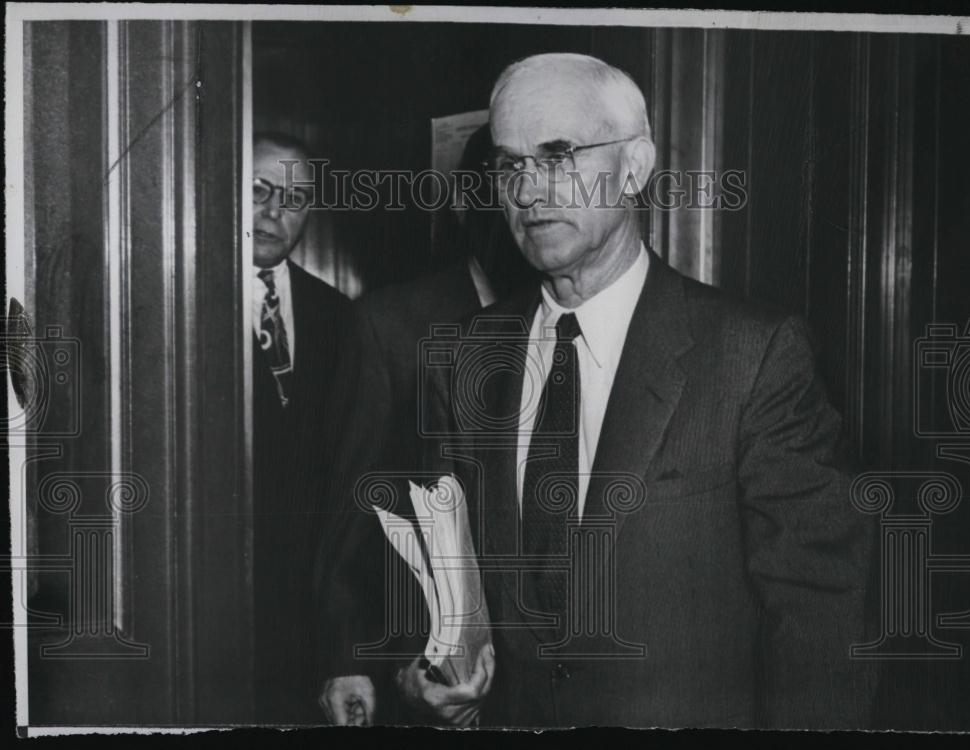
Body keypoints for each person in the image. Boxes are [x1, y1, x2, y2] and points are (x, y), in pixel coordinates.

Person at [398, 53, 877, 729]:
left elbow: (821, 620)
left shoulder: (754, 355)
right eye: (509, 165)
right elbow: (439, 576)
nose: (529, 191)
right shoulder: (467, 353)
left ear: (635, 166)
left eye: (558, 154)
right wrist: (428, 680)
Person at [314, 124, 534, 725]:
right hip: (426, 664)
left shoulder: (566, 319)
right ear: (465, 202)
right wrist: (345, 658)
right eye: (504, 182)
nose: (524, 206)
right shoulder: (389, 325)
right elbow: (350, 509)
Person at [250, 131, 365, 724]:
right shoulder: (184, 307)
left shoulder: (339, 316)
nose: (273, 211)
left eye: (292, 198)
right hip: (221, 608)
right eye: (257, 190)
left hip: (310, 622)